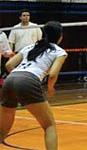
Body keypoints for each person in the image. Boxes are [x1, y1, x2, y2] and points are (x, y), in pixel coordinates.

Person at [0, 21, 67, 150]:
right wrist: (50, 88)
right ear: (60, 36)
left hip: (10, 80)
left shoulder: (30, 47)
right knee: (49, 126)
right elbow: (53, 74)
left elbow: (8, 65)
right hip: (28, 81)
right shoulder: (60, 52)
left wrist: (17, 78)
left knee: (2, 129)